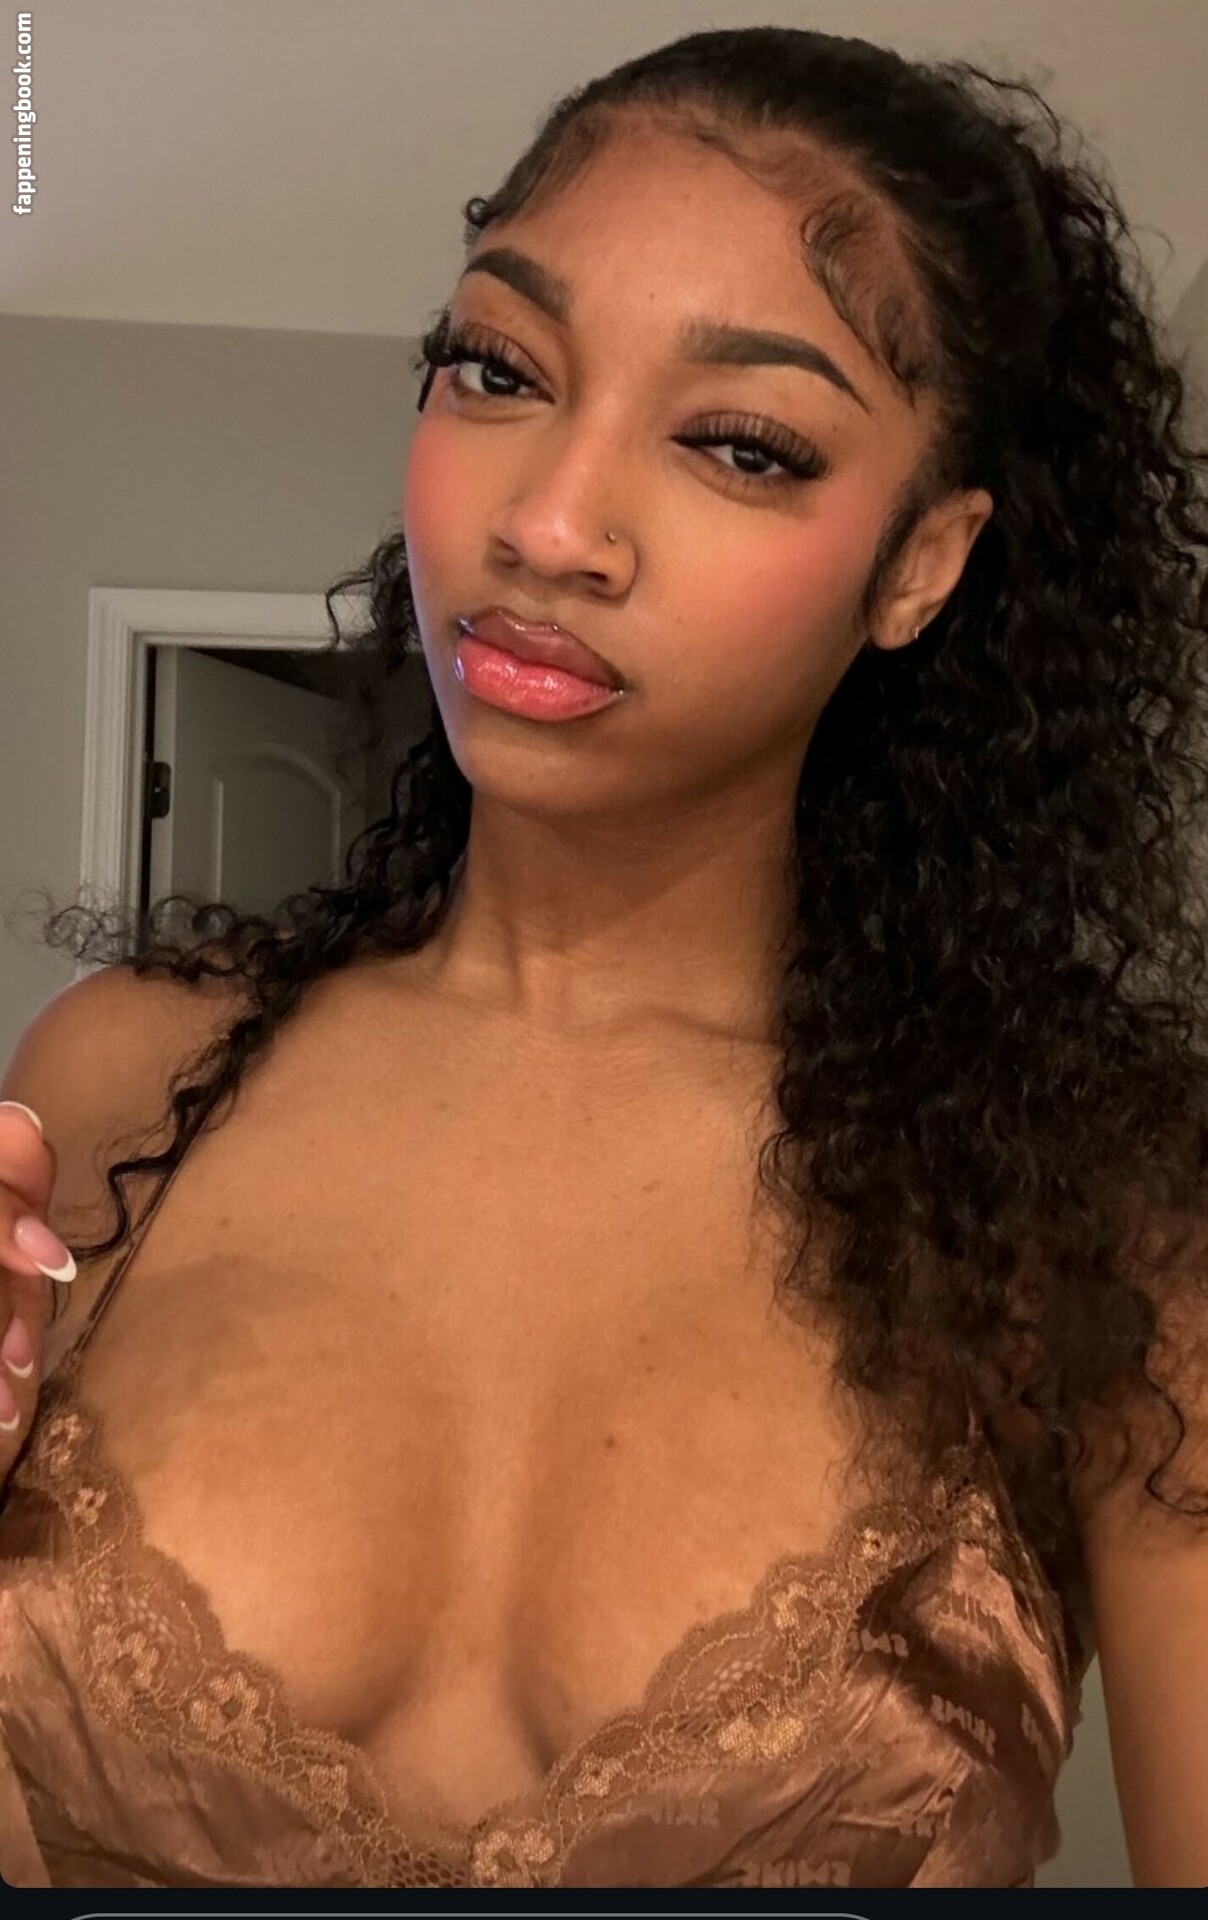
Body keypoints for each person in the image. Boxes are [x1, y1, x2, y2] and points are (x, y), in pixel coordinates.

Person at [2, 22, 1208, 1891]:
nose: (549, 525)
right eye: (498, 368)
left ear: (921, 563)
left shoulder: (1104, 1220)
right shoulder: (110, 1089)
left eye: (741, 444)